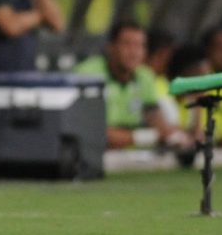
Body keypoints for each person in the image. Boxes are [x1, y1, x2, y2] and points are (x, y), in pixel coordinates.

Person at [74, 21, 194, 151]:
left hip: (131, 157)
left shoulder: (145, 76)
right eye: (127, 44)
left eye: (139, 46)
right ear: (111, 47)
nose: (134, 52)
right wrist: (147, 136)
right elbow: (92, 131)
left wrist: (175, 135)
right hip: (93, 155)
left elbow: (157, 120)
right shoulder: (88, 74)